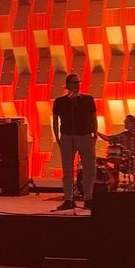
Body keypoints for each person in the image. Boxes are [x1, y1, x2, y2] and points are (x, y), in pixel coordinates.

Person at [51, 73, 97, 210]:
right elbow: (55, 121)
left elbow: (93, 117)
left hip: (85, 136)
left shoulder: (88, 99)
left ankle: (88, 198)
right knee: (67, 170)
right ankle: (68, 199)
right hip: (67, 137)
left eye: (78, 82)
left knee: (89, 169)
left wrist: (95, 134)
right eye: (74, 82)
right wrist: (57, 138)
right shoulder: (60, 101)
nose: (77, 85)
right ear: (68, 85)